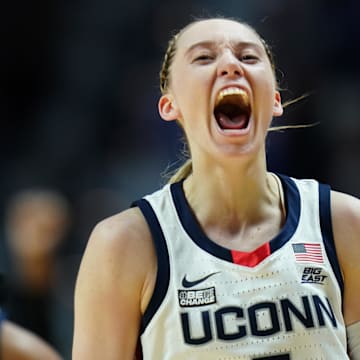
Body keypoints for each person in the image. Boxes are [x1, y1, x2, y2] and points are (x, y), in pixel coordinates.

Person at [72, 17, 360, 359]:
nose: (230, 65)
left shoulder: (344, 222)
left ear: (276, 101)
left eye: (249, 57)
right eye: (204, 58)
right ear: (169, 105)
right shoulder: (124, 244)